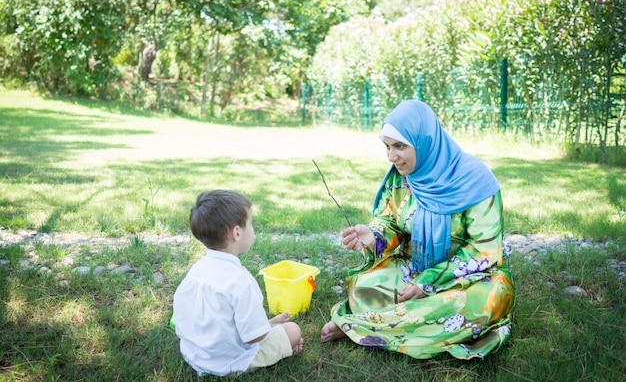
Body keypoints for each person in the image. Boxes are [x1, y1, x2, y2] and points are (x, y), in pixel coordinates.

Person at [320, 100, 515, 360]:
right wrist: (373, 235)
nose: (391, 156)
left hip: (468, 279)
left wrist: (429, 283)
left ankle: (361, 326)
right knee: (365, 289)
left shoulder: (475, 180)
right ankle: (406, 323)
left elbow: (485, 249)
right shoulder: (401, 177)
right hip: (412, 271)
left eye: (400, 146)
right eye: (387, 147)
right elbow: (390, 223)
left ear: (425, 141)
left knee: (487, 299)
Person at [173, 190, 303, 377]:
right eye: (251, 223)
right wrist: (271, 331)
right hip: (228, 362)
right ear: (237, 232)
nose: (253, 228)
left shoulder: (195, 272)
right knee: (292, 330)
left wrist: (267, 324)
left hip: (194, 353)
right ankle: (280, 343)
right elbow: (255, 337)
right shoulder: (241, 281)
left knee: (268, 328)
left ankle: (266, 324)